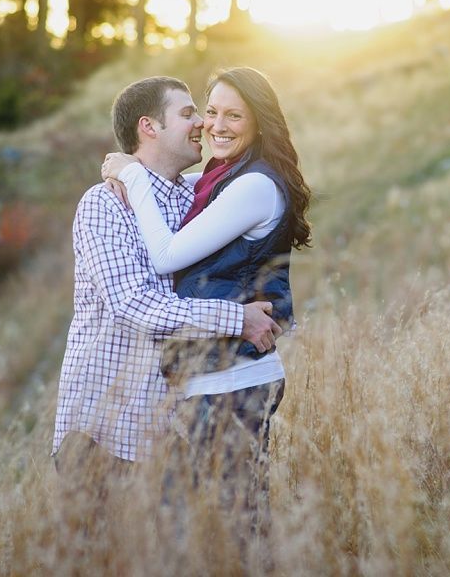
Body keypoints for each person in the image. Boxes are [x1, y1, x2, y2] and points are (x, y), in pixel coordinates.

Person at [100, 67, 313, 546]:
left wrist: (131, 174)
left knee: (236, 531)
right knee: (219, 529)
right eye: (210, 111)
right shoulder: (222, 177)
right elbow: (171, 177)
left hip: (233, 382)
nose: (215, 124)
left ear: (260, 123)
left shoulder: (253, 186)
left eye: (234, 115)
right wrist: (124, 164)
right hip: (213, 380)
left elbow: (168, 254)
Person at [51, 75, 282, 495]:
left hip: (168, 430)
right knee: (99, 559)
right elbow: (133, 305)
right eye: (190, 113)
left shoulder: (191, 198)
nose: (204, 125)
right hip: (103, 431)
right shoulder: (104, 204)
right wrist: (237, 319)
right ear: (149, 127)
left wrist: (128, 168)